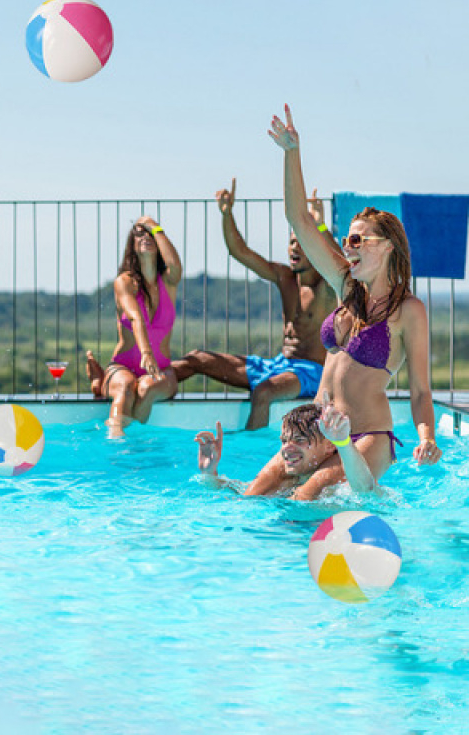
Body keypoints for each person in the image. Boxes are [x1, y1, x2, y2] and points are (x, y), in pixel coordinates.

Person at [268, 104, 441, 497]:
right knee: (256, 493)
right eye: (347, 239)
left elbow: (420, 392)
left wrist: (427, 436)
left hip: (367, 436)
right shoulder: (346, 287)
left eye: (358, 240)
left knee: (305, 499)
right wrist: (291, 153)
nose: (348, 247)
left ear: (389, 248)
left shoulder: (408, 311)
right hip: (317, 429)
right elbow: (299, 220)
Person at [171, 179, 338, 430]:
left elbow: (339, 261)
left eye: (301, 243)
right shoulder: (285, 277)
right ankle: (145, 385)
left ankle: (248, 453)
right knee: (197, 359)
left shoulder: (325, 285)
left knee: (263, 393)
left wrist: (320, 225)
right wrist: (227, 215)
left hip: (311, 372)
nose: (294, 247)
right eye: (291, 242)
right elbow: (240, 252)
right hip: (279, 365)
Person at [86, 215, 182, 437]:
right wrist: (146, 352)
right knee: (125, 389)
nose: (146, 236)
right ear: (132, 245)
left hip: (161, 370)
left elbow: (175, 264)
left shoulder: (168, 282)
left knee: (146, 388)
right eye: (139, 233)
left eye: (150, 233)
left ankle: (133, 448)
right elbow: (135, 317)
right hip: (123, 366)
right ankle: (115, 443)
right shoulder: (125, 282)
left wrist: (155, 226)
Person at [196, 403, 337, 496]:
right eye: (284, 440)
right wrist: (209, 472)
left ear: (330, 445)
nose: (286, 448)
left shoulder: (339, 488)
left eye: (299, 440)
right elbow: (237, 492)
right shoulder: (287, 483)